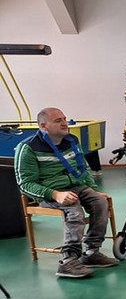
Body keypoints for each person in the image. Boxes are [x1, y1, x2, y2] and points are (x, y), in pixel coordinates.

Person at [14, 107, 119, 278]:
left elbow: (83, 168)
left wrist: (93, 190)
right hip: (49, 192)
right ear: (43, 126)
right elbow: (24, 184)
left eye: (64, 119)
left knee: (100, 203)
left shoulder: (72, 140)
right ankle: (68, 261)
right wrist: (55, 194)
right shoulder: (28, 148)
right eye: (58, 121)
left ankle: (91, 252)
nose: (65, 123)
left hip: (77, 186)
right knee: (74, 210)